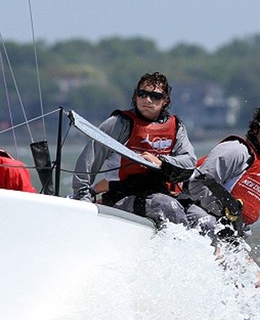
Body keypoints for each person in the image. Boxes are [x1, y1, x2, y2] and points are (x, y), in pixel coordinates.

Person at [183, 101, 260, 287]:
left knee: (259, 283)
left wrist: (235, 238)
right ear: (256, 128)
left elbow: (242, 216)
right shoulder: (236, 151)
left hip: (228, 232)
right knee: (223, 259)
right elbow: (197, 184)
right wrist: (223, 218)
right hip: (197, 214)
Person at [72, 72, 196, 225]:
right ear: (136, 96)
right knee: (169, 207)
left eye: (155, 96)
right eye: (142, 94)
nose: (147, 100)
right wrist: (82, 199)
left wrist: (161, 162)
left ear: (165, 101)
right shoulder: (118, 123)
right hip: (122, 196)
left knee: (203, 219)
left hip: (160, 193)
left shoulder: (176, 127)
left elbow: (189, 162)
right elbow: (88, 161)